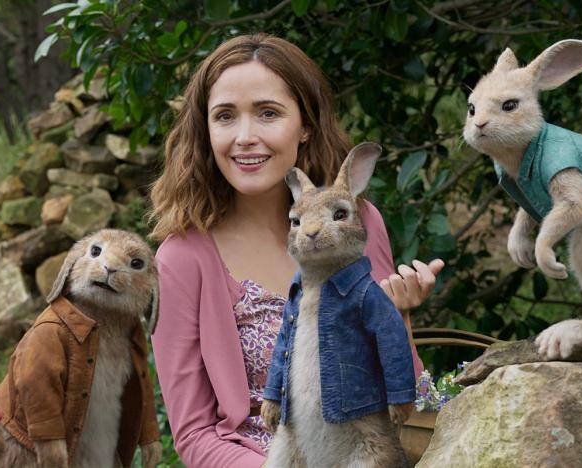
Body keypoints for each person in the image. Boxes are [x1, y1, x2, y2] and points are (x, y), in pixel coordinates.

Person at [148, 33, 444, 467]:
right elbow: (194, 435)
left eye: (268, 113)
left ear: (305, 125)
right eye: (225, 116)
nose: (245, 136)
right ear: (205, 129)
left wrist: (399, 315)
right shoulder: (182, 259)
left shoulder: (357, 222)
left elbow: (407, 400)